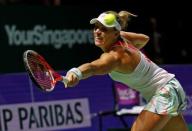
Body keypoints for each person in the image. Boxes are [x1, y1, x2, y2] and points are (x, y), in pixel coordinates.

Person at [64, 10, 188, 131]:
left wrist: (76, 73)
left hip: (165, 93)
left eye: (104, 29)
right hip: (171, 88)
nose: (97, 32)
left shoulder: (114, 57)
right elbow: (144, 38)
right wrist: (133, 53)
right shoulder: (123, 39)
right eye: (96, 27)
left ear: (115, 33)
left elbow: (93, 67)